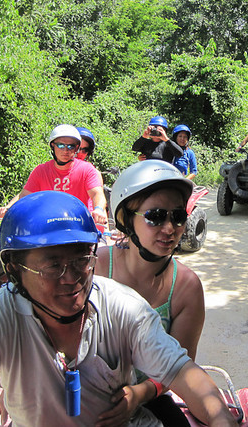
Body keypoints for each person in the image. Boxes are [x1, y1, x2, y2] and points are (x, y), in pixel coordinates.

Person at [0, 191, 237, 427]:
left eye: (81, 260)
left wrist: (220, 418)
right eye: (52, 266)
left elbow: (182, 372)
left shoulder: (122, 308)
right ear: (13, 270)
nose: (72, 278)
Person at [92, 159, 204, 425]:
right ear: (127, 219)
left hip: (148, 395)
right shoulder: (95, 267)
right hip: (86, 389)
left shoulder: (186, 287)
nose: (170, 228)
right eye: (155, 216)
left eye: (178, 217)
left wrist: (138, 394)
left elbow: (181, 368)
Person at [0, 124, 108, 228]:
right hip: (48, 227)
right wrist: (8, 209)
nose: (65, 150)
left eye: (71, 146)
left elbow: (97, 194)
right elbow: (24, 196)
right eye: (61, 145)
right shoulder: (41, 171)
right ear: (53, 146)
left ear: (76, 148)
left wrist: (98, 209)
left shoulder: (87, 170)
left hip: (79, 226)